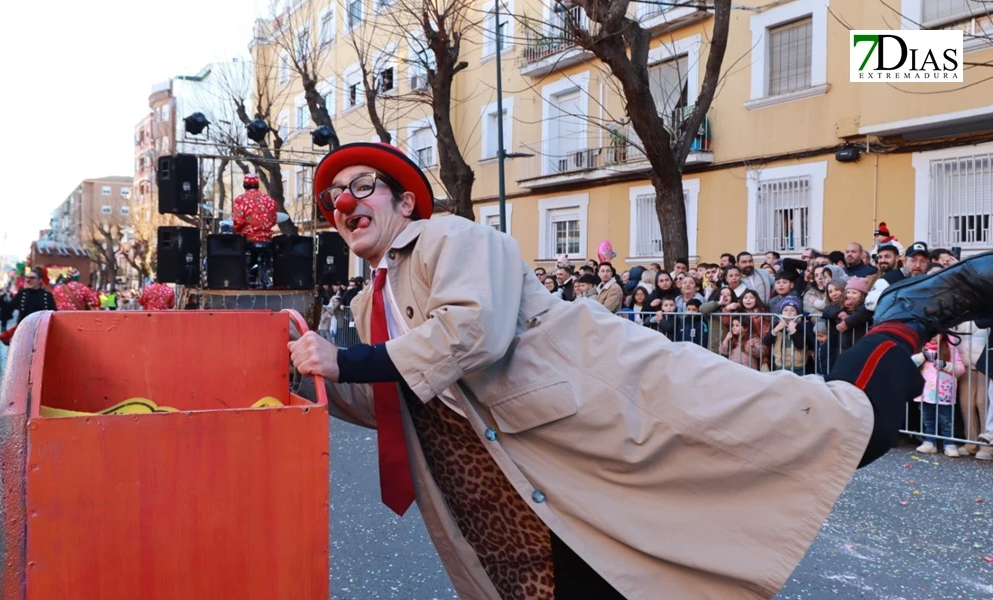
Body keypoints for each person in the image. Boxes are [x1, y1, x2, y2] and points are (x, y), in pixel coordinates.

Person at [287, 141, 988, 600]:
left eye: (362, 187)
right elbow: (382, 395)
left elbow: (470, 332)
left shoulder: (447, 237)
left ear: (404, 202)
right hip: (538, 499)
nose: (345, 204)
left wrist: (344, 356)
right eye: (332, 199)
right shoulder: (370, 303)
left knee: (834, 424)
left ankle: (905, 313)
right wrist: (292, 371)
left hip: (617, 418)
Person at [233, 174, 277, 288]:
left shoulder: (241, 200)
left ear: (244, 185)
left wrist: (237, 231)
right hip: (266, 240)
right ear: (258, 185)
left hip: (249, 239)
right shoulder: (269, 200)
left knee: (238, 249)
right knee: (264, 251)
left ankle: (247, 278)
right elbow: (273, 220)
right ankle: (266, 272)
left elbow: (238, 222)